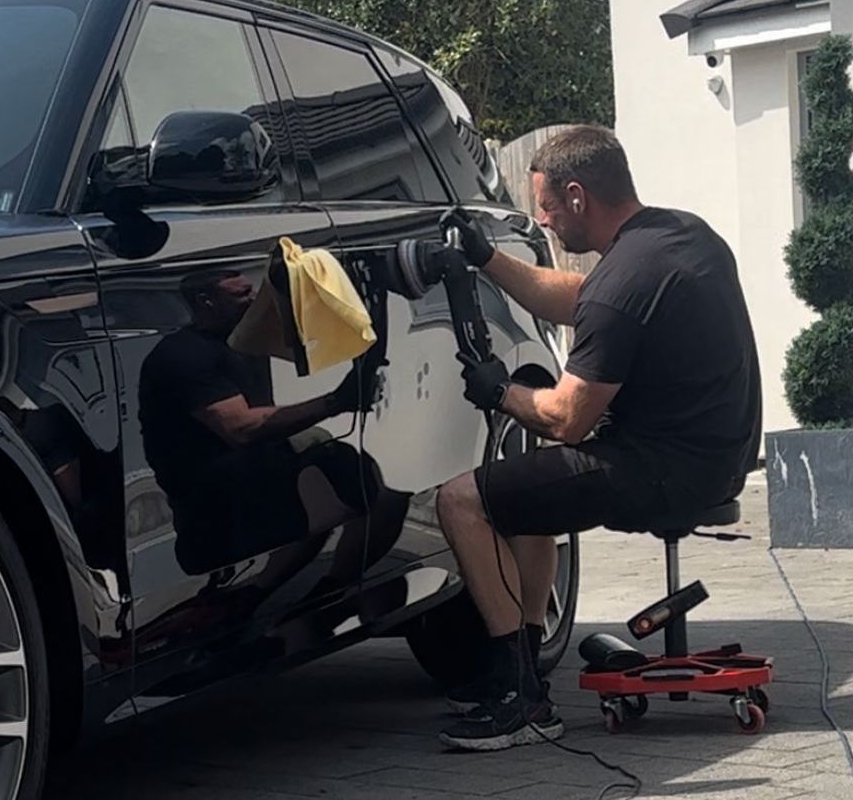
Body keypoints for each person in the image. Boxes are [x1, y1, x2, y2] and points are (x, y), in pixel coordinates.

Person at [435, 125, 762, 752]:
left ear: (578, 196)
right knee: (526, 494)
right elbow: (580, 298)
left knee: (462, 501)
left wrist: (498, 389)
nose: (543, 221)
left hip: (659, 472)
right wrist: (486, 259)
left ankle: (519, 698)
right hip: (716, 459)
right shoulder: (677, 236)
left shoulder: (625, 282)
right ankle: (526, 659)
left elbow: (566, 418)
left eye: (547, 207)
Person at [139, 267, 405, 600]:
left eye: (250, 291)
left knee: (379, 489)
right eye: (239, 295)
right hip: (215, 497)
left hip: (259, 468)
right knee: (349, 491)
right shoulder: (182, 356)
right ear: (205, 301)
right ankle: (261, 594)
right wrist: (337, 401)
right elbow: (241, 428)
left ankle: (329, 588)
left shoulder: (244, 337)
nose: (252, 299)